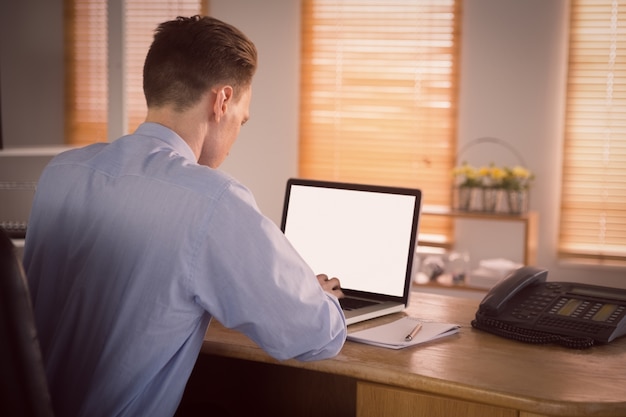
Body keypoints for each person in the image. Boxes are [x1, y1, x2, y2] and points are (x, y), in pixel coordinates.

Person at [23, 15, 347, 417]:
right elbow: (312, 335)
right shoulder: (212, 199)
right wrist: (316, 297)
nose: (236, 135)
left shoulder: (62, 171)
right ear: (222, 101)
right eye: (241, 120)